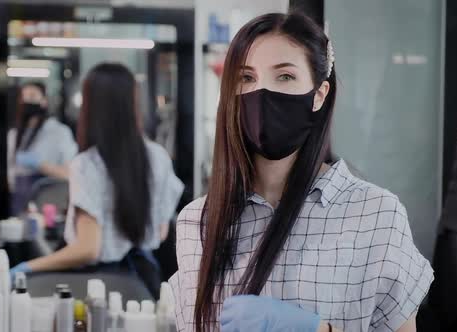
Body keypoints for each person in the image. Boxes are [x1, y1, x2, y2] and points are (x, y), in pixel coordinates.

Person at [169, 12, 434, 332]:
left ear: (319, 95)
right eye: (246, 78)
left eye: (284, 77)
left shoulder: (375, 215)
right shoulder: (198, 221)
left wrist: (317, 330)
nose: (262, 92)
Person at [10, 63, 184, 296]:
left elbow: (88, 249)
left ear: (91, 106)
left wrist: (27, 268)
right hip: (143, 284)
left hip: (96, 286)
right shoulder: (159, 157)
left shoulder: (88, 165)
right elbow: (161, 231)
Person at [8, 82, 77, 214]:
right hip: (16, 202)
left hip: (47, 203)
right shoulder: (13, 134)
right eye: (23, 97)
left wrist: (40, 165)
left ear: (44, 101)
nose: (27, 101)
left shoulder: (59, 132)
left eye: (32, 96)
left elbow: (70, 174)